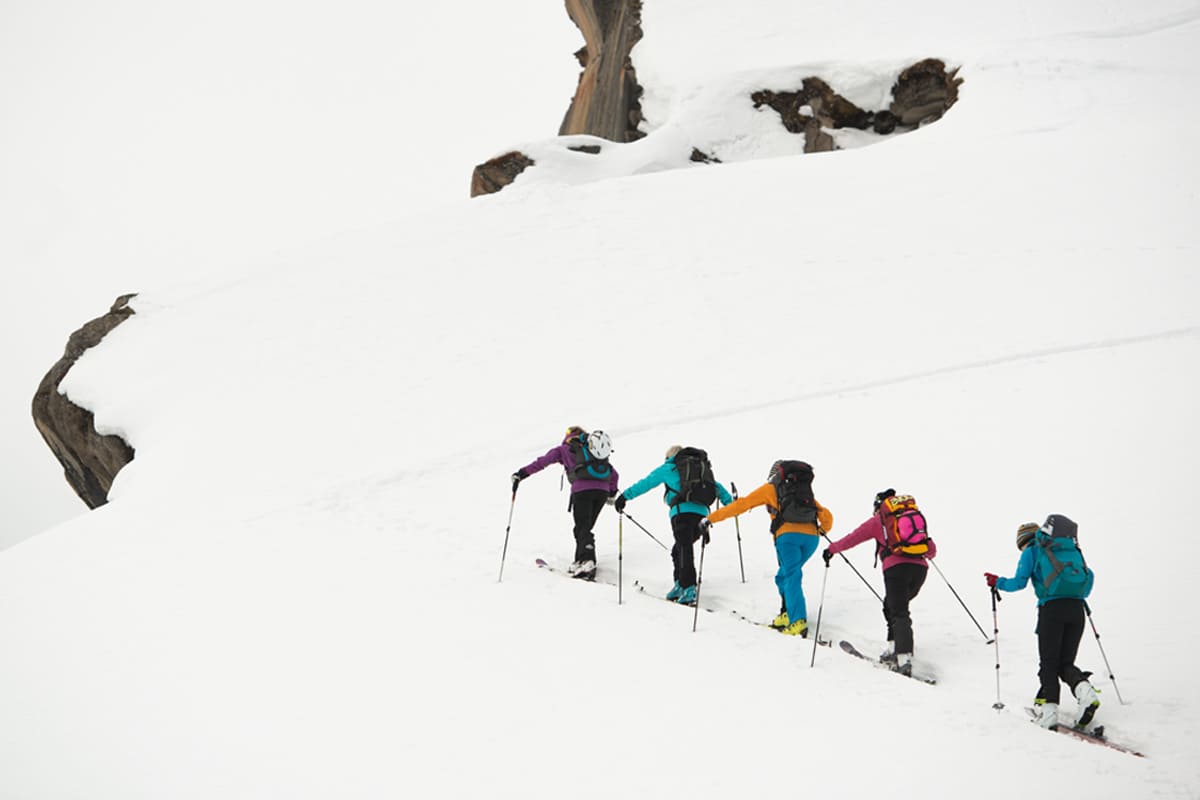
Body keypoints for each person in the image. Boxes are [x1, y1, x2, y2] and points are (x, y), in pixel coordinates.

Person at [985, 516, 1101, 730]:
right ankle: (1085, 692)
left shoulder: (1032, 551)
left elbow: (1019, 583)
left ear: (1023, 542)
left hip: (1052, 611)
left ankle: (1049, 713)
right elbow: (1089, 576)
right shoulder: (1069, 549)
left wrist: (997, 582)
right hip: (1078, 610)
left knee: (1048, 664)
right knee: (1064, 663)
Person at [700, 460, 832, 637]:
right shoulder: (803, 492)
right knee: (783, 576)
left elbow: (741, 505)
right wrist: (820, 530)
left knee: (791, 575)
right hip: (811, 539)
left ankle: (798, 622)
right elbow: (827, 517)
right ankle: (787, 613)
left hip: (787, 538)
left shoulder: (770, 488)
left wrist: (711, 518)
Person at [823, 489, 938, 676]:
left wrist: (832, 549)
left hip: (896, 570)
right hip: (920, 571)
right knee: (891, 606)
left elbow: (853, 538)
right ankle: (894, 648)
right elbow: (931, 550)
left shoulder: (879, 521)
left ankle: (904, 659)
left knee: (899, 611)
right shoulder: (911, 517)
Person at [614, 446, 733, 605]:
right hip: (702, 517)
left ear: (670, 456)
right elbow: (717, 488)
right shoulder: (701, 470)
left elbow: (646, 483)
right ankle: (680, 584)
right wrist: (732, 505)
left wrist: (624, 497)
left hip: (681, 513)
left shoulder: (670, 467)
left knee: (684, 548)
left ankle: (689, 588)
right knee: (679, 550)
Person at [512, 426, 619, 580]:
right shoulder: (594, 450)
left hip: (582, 491)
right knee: (584, 528)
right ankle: (580, 560)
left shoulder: (565, 449)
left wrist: (522, 474)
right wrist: (612, 492)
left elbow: (542, 462)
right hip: (601, 492)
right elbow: (614, 473)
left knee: (582, 527)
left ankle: (588, 560)